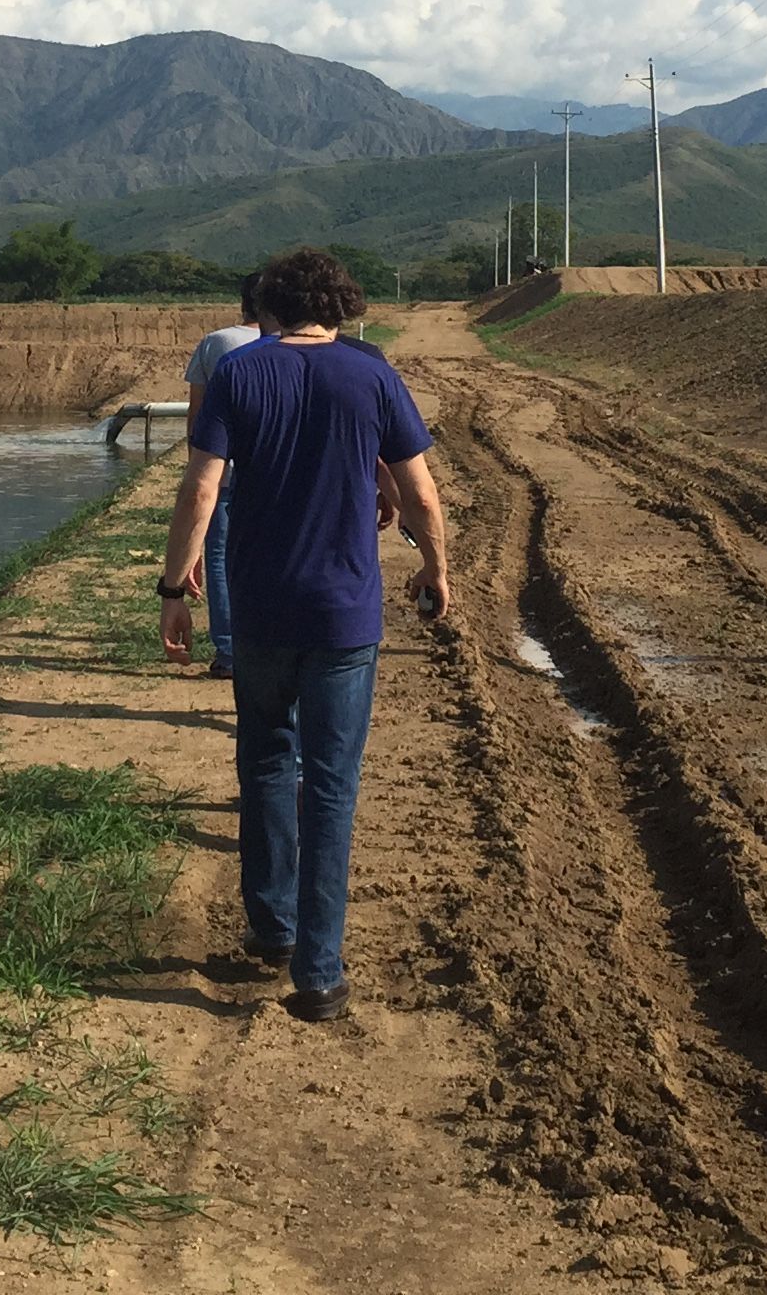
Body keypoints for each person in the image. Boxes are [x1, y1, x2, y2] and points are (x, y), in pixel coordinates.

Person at [162, 246, 451, 1022]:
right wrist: (435, 565)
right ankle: (319, 973)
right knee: (331, 784)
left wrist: (175, 585)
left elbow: (201, 487)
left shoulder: (240, 374)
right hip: (345, 615)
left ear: (270, 308)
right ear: (343, 305)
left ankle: (272, 925)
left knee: (264, 761)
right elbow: (418, 489)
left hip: (259, 608)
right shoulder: (372, 373)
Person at [181, 276, 267, 681]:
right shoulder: (296, 346)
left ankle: (230, 652)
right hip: (272, 474)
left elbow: (196, 417)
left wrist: (194, 467)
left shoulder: (217, 343)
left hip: (223, 472)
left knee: (218, 557)